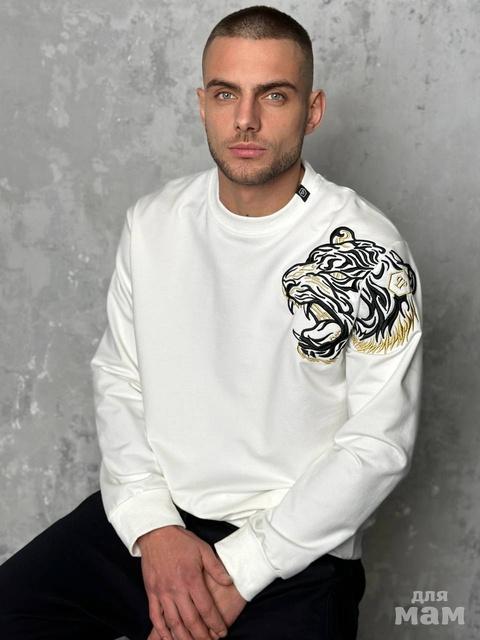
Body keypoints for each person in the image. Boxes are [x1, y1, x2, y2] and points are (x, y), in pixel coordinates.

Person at [0, 5, 423, 640]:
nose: (245, 119)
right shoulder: (153, 223)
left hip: (296, 548)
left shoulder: (373, 252)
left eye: (273, 96)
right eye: (226, 94)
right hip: (162, 520)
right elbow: (119, 378)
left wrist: (239, 569)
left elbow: (377, 446)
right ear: (202, 105)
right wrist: (153, 527)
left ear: (312, 111)